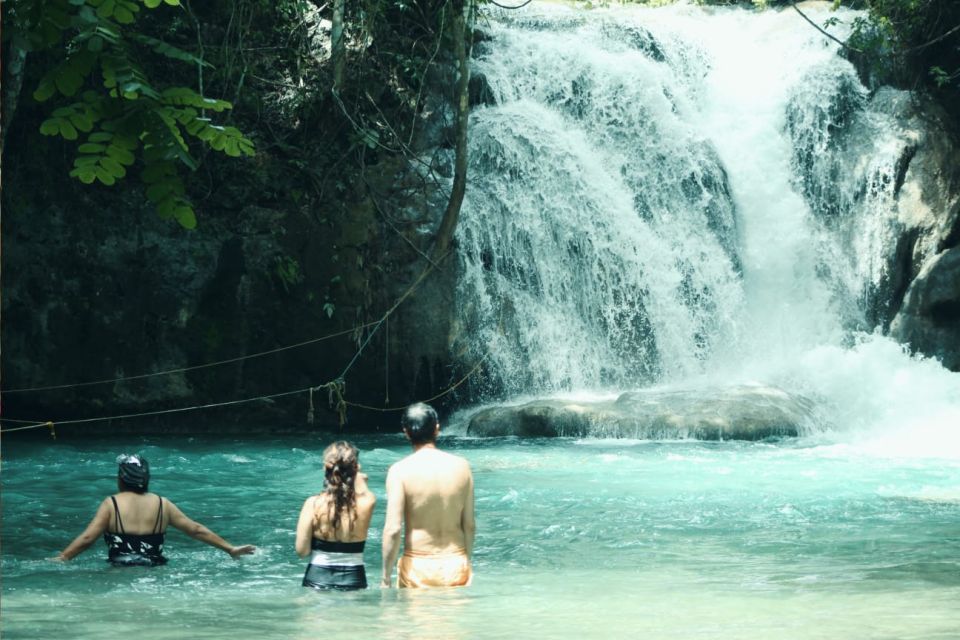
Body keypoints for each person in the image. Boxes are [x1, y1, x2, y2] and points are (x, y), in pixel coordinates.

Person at [55, 454, 255, 565]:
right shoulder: (162, 504)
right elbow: (196, 529)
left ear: (120, 479)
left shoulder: (112, 503)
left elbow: (88, 539)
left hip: (120, 570)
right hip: (155, 569)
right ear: (147, 479)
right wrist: (230, 548)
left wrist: (63, 557)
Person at [381, 402, 476, 588]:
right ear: (437, 430)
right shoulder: (462, 466)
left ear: (406, 432)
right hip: (456, 562)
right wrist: (467, 561)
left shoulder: (399, 471)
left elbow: (393, 529)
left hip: (418, 566)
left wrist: (386, 577)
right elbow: (470, 525)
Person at [295, 441, 376, 590]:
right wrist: (357, 474)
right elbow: (362, 488)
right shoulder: (367, 502)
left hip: (317, 578)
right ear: (356, 469)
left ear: (326, 468)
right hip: (354, 579)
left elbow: (302, 551)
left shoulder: (312, 504)